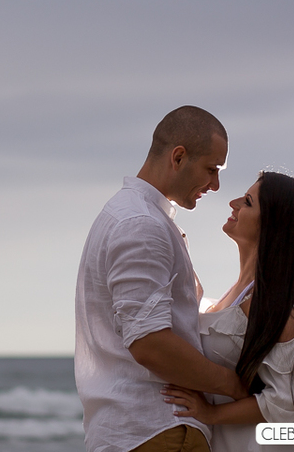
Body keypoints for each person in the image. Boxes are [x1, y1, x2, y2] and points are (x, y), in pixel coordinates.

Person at [75, 106, 249, 452]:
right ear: (179, 157)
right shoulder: (141, 225)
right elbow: (150, 344)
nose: (215, 185)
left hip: (138, 431)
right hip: (160, 430)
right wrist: (236, 386)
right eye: (212, 170)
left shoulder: (132, 216)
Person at [162, 172, 294, 452]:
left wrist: (211, 414)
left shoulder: (273, 310)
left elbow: (291, 401)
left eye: (247, 202)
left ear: (272, 224)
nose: (233, 203)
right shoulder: (235, 297)